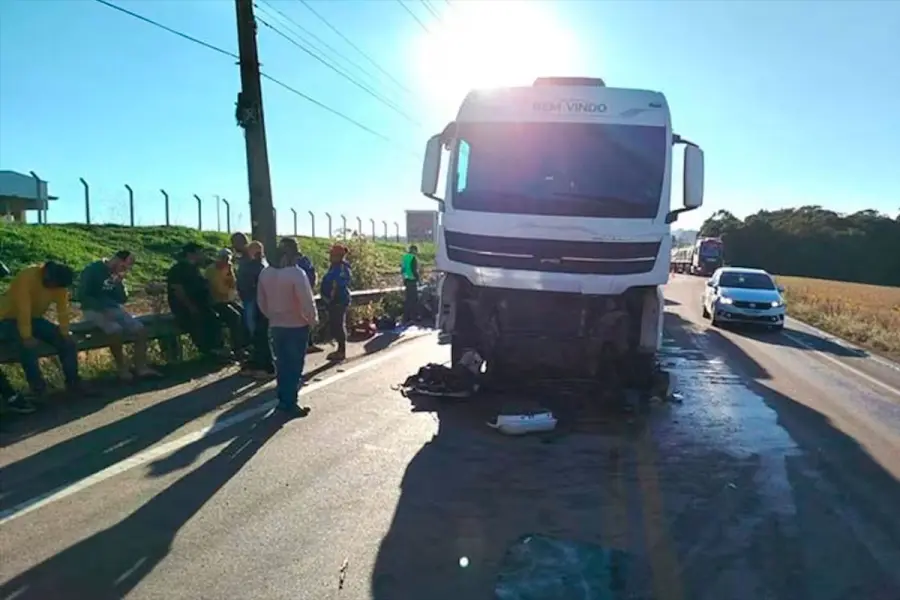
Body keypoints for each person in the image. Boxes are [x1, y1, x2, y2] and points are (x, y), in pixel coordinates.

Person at [0, 261, 91, 399]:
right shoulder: (27, 276)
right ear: (47, 275)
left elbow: (62, 310)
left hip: (34, 318)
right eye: (53, 284)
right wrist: (27, 336)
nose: (54, 288)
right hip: (7, 318)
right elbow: (23, 308)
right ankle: (38, 389)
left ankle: (73, 383)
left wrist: (65, 333)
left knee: (67, 343)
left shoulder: (59, 284)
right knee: (27, 346)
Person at [257, 238, 319, 416]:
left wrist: (273, 316)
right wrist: (312, 320)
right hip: (296, 325)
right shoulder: (296, 274)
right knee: (294, 366)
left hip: (276, 325)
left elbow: (261, 301)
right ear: (291, 255)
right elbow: (307, 301)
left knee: (282, 364)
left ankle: (283, 400)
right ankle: (290, 403)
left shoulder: (265, 273)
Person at [77, 250, 160, 381]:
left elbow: (122, 299)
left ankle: (141, 367)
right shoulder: (93, 269)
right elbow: (82, 295)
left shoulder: (117, 275)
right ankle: (122, 369)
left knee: (140, 330)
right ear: (117, 259)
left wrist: (120, 283)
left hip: (113, 308)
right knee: (115, 330)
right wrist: (101, 309)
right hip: (93, 309)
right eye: (123, 266)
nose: (124, 269)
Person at [166, 243, 229, 359]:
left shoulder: (195, 269)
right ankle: (210, 351)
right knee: (201, 321)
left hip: (201, 305)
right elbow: (178, 291)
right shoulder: (178, 269)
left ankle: (218, 349)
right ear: (191, 254)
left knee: (216, 317)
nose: (202, 256)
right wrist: (190, 307)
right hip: (186, 307)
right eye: (200, 253)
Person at [237, 241, 274, 378]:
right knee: (257, 333)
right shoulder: (264, 264)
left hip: (255, 301)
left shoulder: (256, 266)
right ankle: (257, 363)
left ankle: (267, 367)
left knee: (259, 333)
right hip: (255, 300)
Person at [205, 248, 246, 354]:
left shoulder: (227, 269)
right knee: (235, 316)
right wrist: (228, 289)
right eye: (224, 259)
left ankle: (246, 343)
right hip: (215, 300)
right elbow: (217, 288)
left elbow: (233, 285)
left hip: (226, 299)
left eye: (228, 260)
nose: (227, 262)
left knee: (243, 312)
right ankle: (237, 347)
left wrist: (230, 273)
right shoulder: (212, 270)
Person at [320, 244, 352, 361]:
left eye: (332, 254)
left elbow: (337, 284)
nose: (330, 256)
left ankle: (341, 351)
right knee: (335, 325)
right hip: (333, 300)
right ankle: (339, 349)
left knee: (338, 325)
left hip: (338, 300)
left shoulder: (341, 268)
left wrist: (331, 298)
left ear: (338, 256)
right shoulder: (335, 266)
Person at [401, 245, 420, 324]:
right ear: (413, 250)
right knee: (414, 300)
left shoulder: (405, 258)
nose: (416, 252)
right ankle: (413, 317)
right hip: (412, 281)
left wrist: (404, 279)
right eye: (416, 250)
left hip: (407, 281)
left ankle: (405, 318)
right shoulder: (413, 258)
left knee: (407, 300)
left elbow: (403, 270)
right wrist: (418, 279)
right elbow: (414, 270)